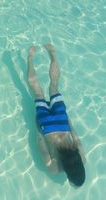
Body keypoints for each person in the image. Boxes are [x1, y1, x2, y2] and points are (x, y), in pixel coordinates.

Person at [27, 44, 86, 187]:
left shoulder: (82, 159)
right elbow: (41, 144)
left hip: (62, 122)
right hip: (47, 127)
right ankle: (30, 57)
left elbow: (76, 139)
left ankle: (52, 53)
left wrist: (68, 121)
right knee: (38, 92)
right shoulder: (54, 169)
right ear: (70, 176)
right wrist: (37, 127)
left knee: (53, 86)